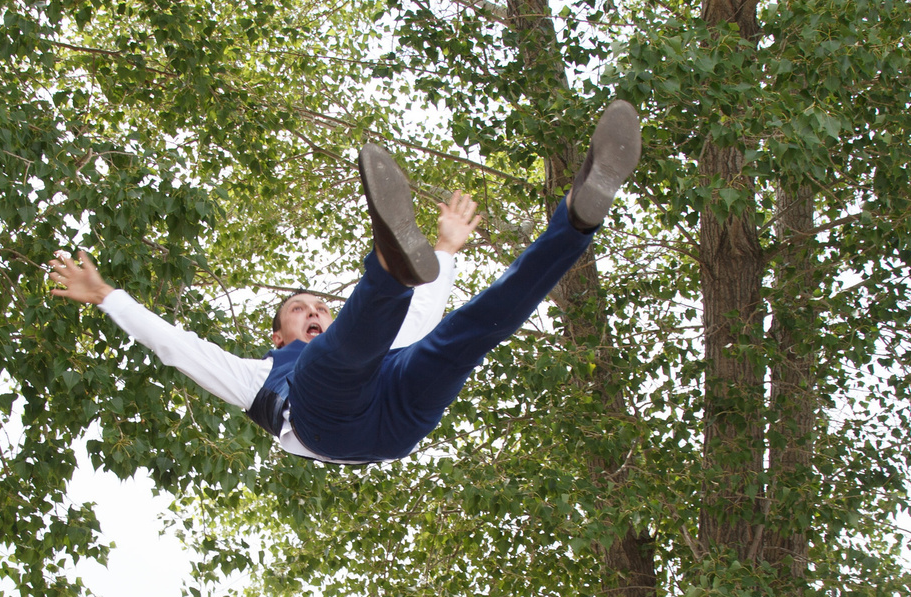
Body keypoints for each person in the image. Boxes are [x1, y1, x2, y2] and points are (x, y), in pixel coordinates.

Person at [44, 103, 639, 467]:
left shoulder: (353, 335)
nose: (312, 311)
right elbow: (179, 347)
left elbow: (426, 312)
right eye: (298, 310)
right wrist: (108, 297)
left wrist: (445, 250)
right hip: (338, 420)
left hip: (391, 397)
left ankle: (577, 220)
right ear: (277, 337)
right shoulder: (260, 375)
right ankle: (387, 266)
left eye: (317, 306)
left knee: (471, 331)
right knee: (345, 353)